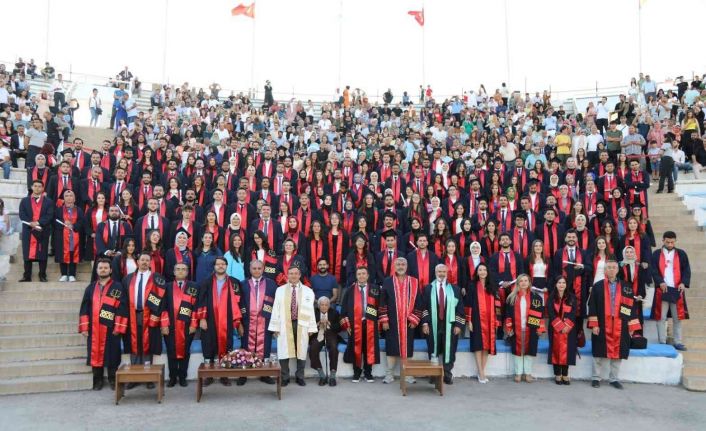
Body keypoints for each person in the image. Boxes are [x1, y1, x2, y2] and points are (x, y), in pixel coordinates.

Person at [588, 259, 641, 389]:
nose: (611, 269)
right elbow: (592, 305)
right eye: (609, 267)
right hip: (602, 323)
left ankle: (614, 379)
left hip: (620, 323)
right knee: (598, 353)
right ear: (605, 270)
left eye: (613, 267)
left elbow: (630, 307)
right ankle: (596, 378)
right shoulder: (598, 286)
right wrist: (594, 324)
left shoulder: (626, 287)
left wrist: (631, 326)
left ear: (617, 270)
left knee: (618, 353)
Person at [79, 258, 127, 390]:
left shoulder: (117, 287)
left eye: (106, 268)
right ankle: (98, 379)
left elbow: (122, 308)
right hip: (94, 328)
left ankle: (112, 379)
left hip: (111, 328)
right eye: (101, 268)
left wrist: (119, 327)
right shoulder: (90, 288)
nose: (103, 270)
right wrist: (84, 327)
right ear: (97, 270)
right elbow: (84, 309)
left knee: (112, 354)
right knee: (95, 353)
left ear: (111, 270)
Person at [121, 252, 168, 389]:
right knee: (134, 344)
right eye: (142, 260)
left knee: (148, 345)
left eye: (147, 260)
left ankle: (148, 377)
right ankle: (134, 377)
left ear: (150, 262)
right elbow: (123, 301)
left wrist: (157, 315)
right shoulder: (128, 279)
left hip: (150, 316)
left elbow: (161, 300)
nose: (145, 262)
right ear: (137, 261)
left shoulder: (157, 279)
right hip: (132, 316)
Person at [269, 262, 317, 386]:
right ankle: (285, 377)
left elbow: (311, 310)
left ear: (300, 275)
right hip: (284, 323)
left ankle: (300, 376)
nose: (293, 275)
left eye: (296, 273)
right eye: (291, 273)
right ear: (287, 275)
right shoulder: (280, 290)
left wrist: (311, 326)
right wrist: (275, 327)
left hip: (302, 324)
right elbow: (275, 308)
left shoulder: (308, 291)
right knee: (283, 349)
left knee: (301, 350)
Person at [197, 256, 243, 386]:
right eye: (218, 264)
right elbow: (201, 301)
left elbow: (238, 303)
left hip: (227, 320)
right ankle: (209, 375)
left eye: (223, 264)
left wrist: (238, 322)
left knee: (227, 346)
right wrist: (202, 319)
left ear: (226, 266)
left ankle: (224, 375)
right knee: (208, 347)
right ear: (214, 266)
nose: (221, 266)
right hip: (210, 319)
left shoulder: (234, 282)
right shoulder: (206, 282)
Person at [379, 257, 423, 384]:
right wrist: (384, 320)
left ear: (407, 266)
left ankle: (407, 374)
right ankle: (389, 374)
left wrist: (415, 319)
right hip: (392, 322)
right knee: (391, 348)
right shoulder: (387, 282)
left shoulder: (414, 282)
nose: (400, 266)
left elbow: (419, 302)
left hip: (408, 322)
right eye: (398, 264)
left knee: (408, 348)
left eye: (403, 264)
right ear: (394, 266)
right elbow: (382, 302)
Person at [421, 264, 464, 385]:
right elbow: (423, 307)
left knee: (449, 349)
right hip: (432, 324)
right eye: (439, 271)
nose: (441, 274)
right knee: (432, 348)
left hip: (449, 324)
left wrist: (458, 325)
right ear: (435, 272)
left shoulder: (455, 289)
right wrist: (424, 323)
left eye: (443, 272)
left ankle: (447, 373)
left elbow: (460, 309)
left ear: (447, 273)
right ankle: (434, 374)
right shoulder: (428, 288)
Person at [238, 260, 278, 386]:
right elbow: (239, 304)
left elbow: (276, 305)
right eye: (254, 268)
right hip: (247, 321)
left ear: (263, 269)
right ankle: (243, 373)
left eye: (259, 268)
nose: (256, 270)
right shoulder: (243, 284)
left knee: (265, 346)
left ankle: (264, 373)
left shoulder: (271, 284)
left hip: (265, 321)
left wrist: (275, 324)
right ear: (250, 269)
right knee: (245, 346)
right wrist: (239, 323)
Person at [650, 231, 691, 351]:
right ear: (663, 240)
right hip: (662, 289)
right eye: (667, 242)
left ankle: (678, 341)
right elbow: (653, 270)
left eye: (672, 242)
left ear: (675, 241)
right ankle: (662, 341)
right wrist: (660, 282)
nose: (670, 244)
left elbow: (686, 269)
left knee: (677, 317)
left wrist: (683, 282)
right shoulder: (657, 254)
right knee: (661, 317)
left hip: (676, 288)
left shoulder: (681, 254)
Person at [340, 266, 380, 383]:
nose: (361, 276)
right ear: (356, 276)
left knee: (369, 349)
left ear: (367, 276)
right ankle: (356, 372)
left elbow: (379, 306)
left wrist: (378, 323)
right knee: (356, 348)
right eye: (359, 274)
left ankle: (368, 373)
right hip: (354, 325)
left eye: (363, 274)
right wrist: (347, 326)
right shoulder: (350, 290)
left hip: (370, 324)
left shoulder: (375, 289)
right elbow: (343, 311)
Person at [162, 262, 199, 387]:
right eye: (178, 269)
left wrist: (194, 324)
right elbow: (163, 307)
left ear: (188, 272)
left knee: (186, 351)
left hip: (188, 325)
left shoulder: (193, 287)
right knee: (171, 351)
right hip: (171, 325)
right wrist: (164, 325)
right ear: (174, 272)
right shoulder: (167, 287)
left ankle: (183, 377)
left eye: (183, 269)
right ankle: (173, 377)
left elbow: (196, 308)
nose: (181, 271)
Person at [504, 274, 545, 383]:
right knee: (518, 351)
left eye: (526, 280)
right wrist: (509, 328)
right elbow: (507, 315)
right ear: (517, 283)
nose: (523, 283)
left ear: (529, 283)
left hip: (530, 329)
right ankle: (518, 373)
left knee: (528, 351)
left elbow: (540, 315)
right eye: (521, 281)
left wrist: (540, 328)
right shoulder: (511, 297)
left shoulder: (536, 298)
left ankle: (528, 373)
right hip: (516, 328)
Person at [464, 262, 499, 383]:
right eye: (480, 270)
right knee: (478, 346)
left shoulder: (492, 286)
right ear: (477, 272)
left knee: (487, 347)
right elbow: (468, 303)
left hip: (490, 320)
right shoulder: (472, 285)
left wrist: (497, 320)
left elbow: (497, 305)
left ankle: (481, 372)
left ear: (487, 272)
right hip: (476, 319)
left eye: (484, 270)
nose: (482, 272)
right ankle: (481, 372)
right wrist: (469, 320)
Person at [19, 180, 54, 282]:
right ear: (32, 187)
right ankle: (27, 276)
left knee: (42, 253)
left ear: (43, 188)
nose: (37, 188)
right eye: (35, 186)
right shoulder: (24, 201)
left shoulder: (48, 201)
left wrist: (38, 223)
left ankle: (42, 275)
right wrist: (31, 222)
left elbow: (49, 215)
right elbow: (22, 214)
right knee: (26, 253)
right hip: (28, 230)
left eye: (39, 186)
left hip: (42, 230)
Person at [547, 276, 577, 385]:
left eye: (563, 282)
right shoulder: (551, 298)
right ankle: (557, 374)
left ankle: (565, 374)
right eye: (559, 282)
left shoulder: (572, 298)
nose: (561, 284)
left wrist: (567, 326)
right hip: (555, 329)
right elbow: (551, 313)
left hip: (569, 330)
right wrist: (560, 326)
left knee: (567, 351)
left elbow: (574, 313)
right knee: (556, 350)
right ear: (556, 284)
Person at [309, 296, 341, 386]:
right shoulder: (313, 313)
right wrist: (318, 324)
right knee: (313, 348)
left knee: (334, 348)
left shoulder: (334, 313)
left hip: (330, 333)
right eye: (322, 305)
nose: (324, 307)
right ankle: (322, 375)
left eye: (326, 305)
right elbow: (309, 327)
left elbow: (339, 328)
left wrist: (330, 324)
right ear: (318, 306)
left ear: (329, 306)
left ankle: (332, 376)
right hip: (317, 334)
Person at [54, 189, 84, 282]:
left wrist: (73, 225)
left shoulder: (79, 210)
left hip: (74, 236)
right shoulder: (59, 210)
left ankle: (71, 274)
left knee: (73, 253)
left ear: (74, 199)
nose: (69, 198)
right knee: (63, 253)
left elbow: (81, 222)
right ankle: (63, 274)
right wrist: (64, 223)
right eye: (66, 196)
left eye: (71, 196)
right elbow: (54, 222)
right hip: (62, 236)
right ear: (63, 198)